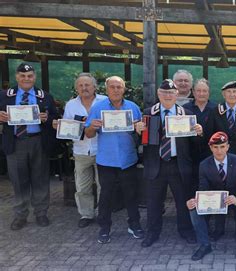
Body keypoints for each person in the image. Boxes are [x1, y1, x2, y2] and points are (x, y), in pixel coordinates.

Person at [135, 79, 203, 247]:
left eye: (171, 93)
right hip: (155, 164)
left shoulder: (186, 114)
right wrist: (137, 131)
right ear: (159, 94)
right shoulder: (148, 113)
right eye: (164, 93)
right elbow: (141, 142)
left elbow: (194, 146)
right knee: (153, 202)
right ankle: (152, 233)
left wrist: (199, 133)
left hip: (178, 164)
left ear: (176, 95)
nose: (167, 96)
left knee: (183, 201)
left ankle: (186, 230)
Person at [84, 76, 143, 244]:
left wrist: (140, 128)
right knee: (106, 196)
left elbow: (141, 132)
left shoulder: (133, 107)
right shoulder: (98, 108)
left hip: (128, 159)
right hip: (106, 160)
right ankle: (104, 228)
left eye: (119, 87)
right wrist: (92, 127)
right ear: (107, 89)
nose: (116, 90)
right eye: (113, 87)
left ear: (124, 89)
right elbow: (88, 134)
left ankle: (134, 224)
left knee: (131, 195)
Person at [186, 131, 236, 261]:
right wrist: (196, 201)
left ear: (227, 146)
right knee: (193, 209)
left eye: (222, 146)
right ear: (210, 148)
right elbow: (203, 189)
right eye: (215, 147)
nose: (219, 150)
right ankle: (205, 245)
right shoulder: (204, 165)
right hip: (217, 202)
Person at [0, 63, 58, 231]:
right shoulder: (4, 95)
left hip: (38, 141)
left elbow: (55, 116)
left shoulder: (45, 96)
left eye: (30, 76)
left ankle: (41, 213)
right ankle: (21, 214)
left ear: (35, 77)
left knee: (40, 178)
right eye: (23, 76)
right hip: (15, 142)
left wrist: (47, 117)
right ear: (17, 77)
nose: (26, 79)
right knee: (18, 180)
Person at [53, 73, 107, 228]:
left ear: (94, 87)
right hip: (81, 150)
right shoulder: (71, 105)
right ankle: (86, 214)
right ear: (76, 88)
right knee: (82, 186)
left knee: (102, 184)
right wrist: (60, 126)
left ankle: (102, 213)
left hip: (101, 149)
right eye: (81, 85)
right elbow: (68, 126)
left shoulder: (104, 101)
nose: (84, 88)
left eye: (87, 85)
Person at [206, 80, 236, 242]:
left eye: (235, 92)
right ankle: (219, 229)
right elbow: (210, 137)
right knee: (221, 192)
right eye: (229, 92)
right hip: (220, 159)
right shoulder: (215, 112)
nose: (232, 94)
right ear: (223, 94)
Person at [183, 78, 217, 193]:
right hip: (190, 154)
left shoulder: (216, 109)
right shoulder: (185, 109)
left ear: (209, 92)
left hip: (210, 153)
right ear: (193, 92)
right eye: (198, 90)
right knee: (191, 185)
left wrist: (203, 133)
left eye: (204, 91)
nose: (201, 93)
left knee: (209, 184)